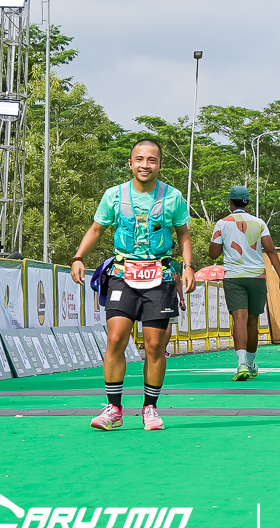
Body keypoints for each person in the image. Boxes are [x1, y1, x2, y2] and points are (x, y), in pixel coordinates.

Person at [70, 139, 191, 431]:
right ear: (130, 163)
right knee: (115, 339)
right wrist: (78, 257)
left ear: (159, 165)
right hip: (122, 275)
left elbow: (184, 234)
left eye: (151, 160)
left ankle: (150, 408)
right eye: (139, 159)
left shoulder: (173, 197)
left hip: (160, 278)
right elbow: (96, 228)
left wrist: (188, 267)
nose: (144, 165)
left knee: (155, 345)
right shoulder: (114, 195)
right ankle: (113, 408)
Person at [210, 184, 280, 382]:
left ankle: (241, 363)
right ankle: (252, 364)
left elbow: (213, 254)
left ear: (230, 201)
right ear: (247, 202)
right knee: (253, 321)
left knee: (239, 319)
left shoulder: (222, 223)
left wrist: (222, 241)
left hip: (234, 277)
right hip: (257, 277)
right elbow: (270, 250)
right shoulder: (259, 223)